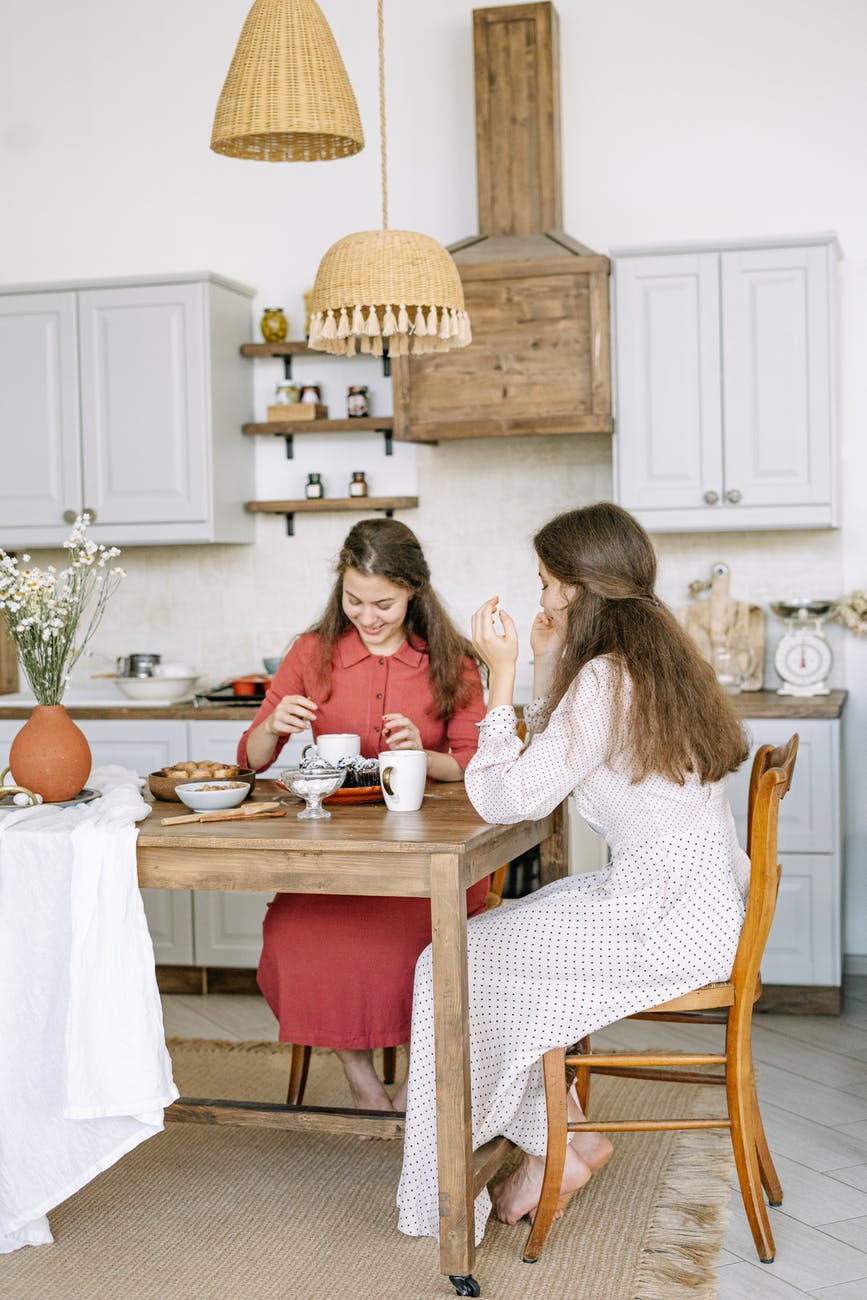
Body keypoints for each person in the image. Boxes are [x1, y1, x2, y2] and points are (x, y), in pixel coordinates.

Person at [396, 502, 750, 1244]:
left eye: (547, 583)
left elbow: (506, 796)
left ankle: (529, 1157)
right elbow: (561, 748)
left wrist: (499, 674)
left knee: (449, 961)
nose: (542, 598)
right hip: (696, 909)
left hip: (659, 922)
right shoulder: (654, 662)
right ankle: (561, 1141)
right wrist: (541, 661)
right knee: (493, 946)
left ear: (579, 588)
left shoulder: (605, 681)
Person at [238, 518, 486, 1116]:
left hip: (426, 859)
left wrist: (421, 756)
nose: (367, 617)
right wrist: (273, 725)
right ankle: (360, 1078)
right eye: (354, 600)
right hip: (334, 857)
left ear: (414, 591)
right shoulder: (311, 653)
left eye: (384, 604)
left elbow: (473, 764)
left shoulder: (451, 661)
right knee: (293, 935)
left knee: (424, 948)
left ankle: (419, 1080)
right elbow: (251, 759)